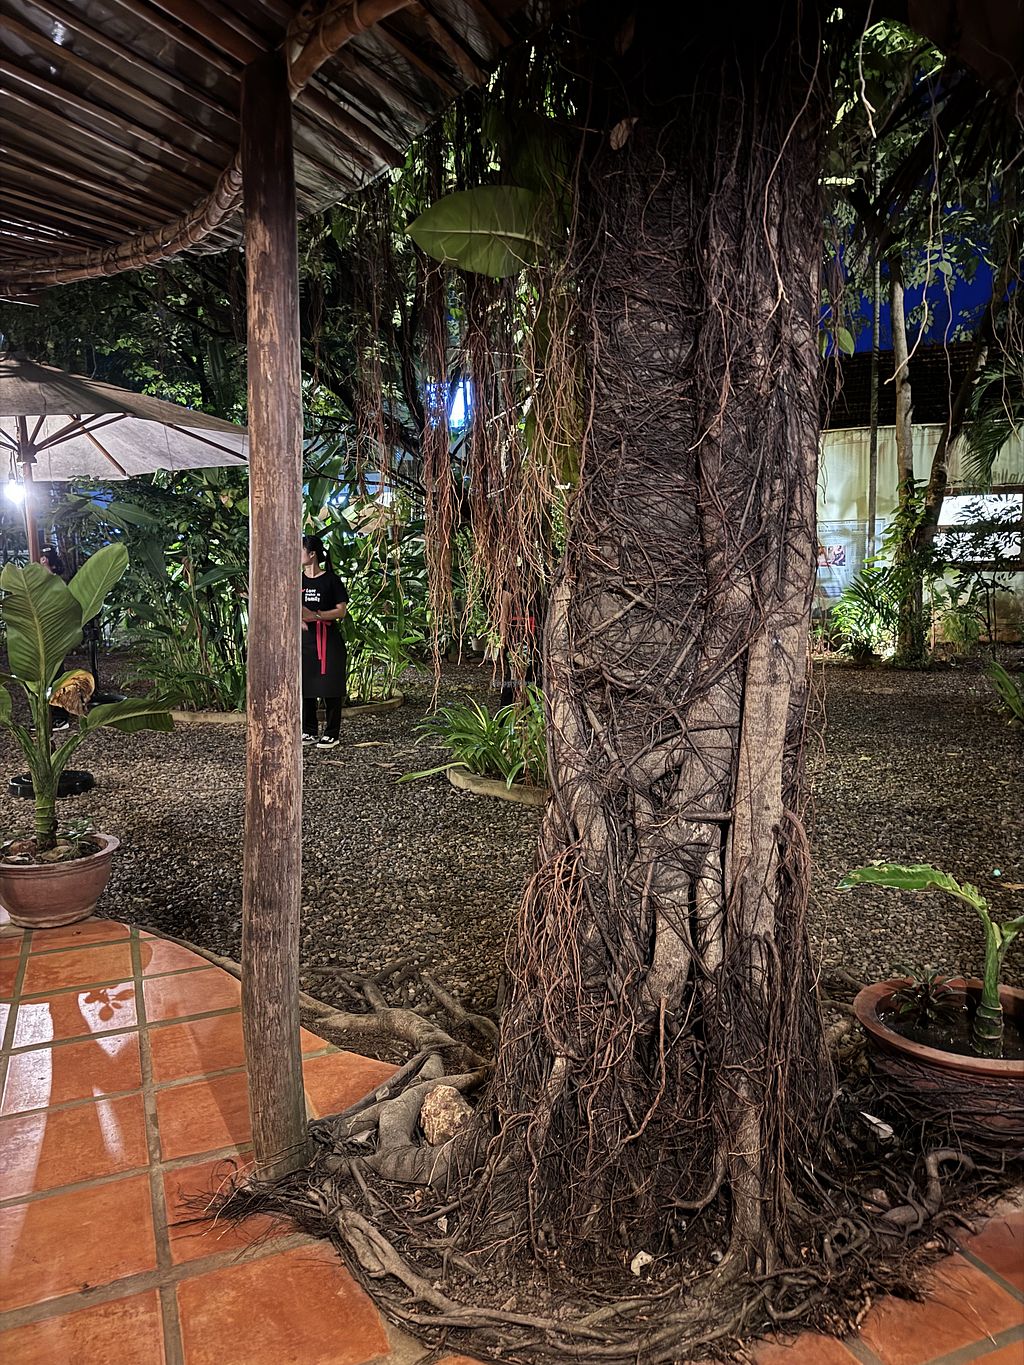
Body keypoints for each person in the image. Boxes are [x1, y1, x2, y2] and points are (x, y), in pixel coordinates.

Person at [301, 534, 349, 750]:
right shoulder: (296, 581)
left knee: (331, 686)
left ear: (312, 554)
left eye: (300, 550)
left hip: (328, 640)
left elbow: (341, 611)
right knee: (305, 686)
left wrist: (316, 616)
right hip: (304, 641)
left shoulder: (331, 580)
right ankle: (309, 730)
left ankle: (331, 733)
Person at [39, 546, 71, 730]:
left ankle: (60, 716)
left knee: (56, 675)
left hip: (55, 635)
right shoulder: (40, 583)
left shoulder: (57, 582)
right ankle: (46, 716)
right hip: (43, 635)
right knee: (44, 677)